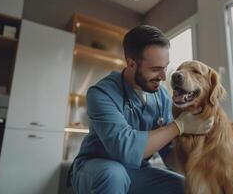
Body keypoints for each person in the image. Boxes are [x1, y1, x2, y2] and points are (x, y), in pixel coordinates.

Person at [69, 25, 213, 194]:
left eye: (165, 67)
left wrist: (202, 167)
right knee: (114, 175)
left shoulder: (162, 97)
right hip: (97, 166)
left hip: (138, 170)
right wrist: (178, 126)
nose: (163, 77)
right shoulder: (101, 93)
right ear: (131, 64)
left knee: (186, 187)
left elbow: (168, 154)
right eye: (155, 69)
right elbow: (125, 148)